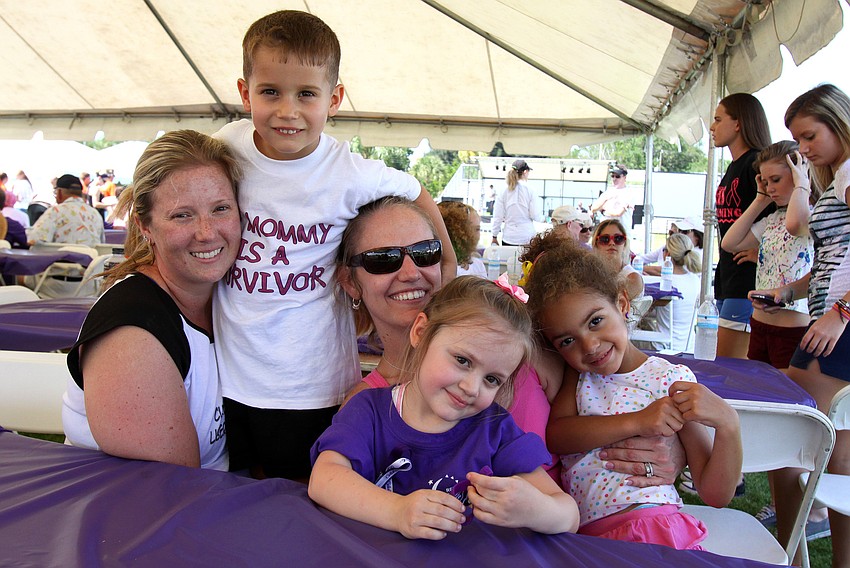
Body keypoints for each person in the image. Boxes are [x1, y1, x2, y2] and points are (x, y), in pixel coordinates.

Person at [213, 10, 456, 481]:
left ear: (335, 98)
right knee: (232, 496)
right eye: (270, 92)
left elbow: (415, 191)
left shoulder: (351, 172)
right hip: (229, 378)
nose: (288, 110)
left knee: (303, 504)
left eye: (306, 94)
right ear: (245, 93)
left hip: (314, 385)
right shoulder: (227, 145)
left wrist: (447, 263)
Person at [309, 276, 580, 540]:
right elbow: (324, 479)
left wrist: (537, 510)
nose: (472, 388)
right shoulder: (369, 411)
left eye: (492, 379)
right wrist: (397, 511)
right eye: (463, 360)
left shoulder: (495, 431)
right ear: (421, 333)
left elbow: (569, 515)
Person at [526, 240, 742, 549]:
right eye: (567, 340)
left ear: (623, 304)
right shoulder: (579, 376)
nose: (589, 346)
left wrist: (729, 425)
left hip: (656, 529)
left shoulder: (670, 380)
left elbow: (716, 494)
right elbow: (557, 436)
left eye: (596, 321)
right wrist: (639, 422)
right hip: (591, 542)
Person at [339, 197, 563, 481]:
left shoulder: (521, 348)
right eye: (383, 259)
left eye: (425, 252)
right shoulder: (366, 407)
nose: (410, 273)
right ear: (349, 282)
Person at [61, 130, 241, 470]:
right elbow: (170, 494)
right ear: (145, 225)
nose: (207, 232)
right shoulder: (132, 335)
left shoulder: (232, 298)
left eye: (221, 209)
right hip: (142, 514)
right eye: (182, 215)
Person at [752, 84, 850, 561]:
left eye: (809, 136)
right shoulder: (835, 178)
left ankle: (791, 549)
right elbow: (836, 255)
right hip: (826, 320)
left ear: (839, 123)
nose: (803, 148)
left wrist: (841, 312)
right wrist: (790, 291)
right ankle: (793, 550)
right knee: (829, 448)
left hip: (839, 327)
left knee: (804, 436)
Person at [710, 93, 773, 359]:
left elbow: (781, 216)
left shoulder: (757, 164)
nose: (712, 127)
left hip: (749, 281)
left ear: (739, 123)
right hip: (728, 277)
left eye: (717, 119)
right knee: (724, 361)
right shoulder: (734, 167)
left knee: (731, 368)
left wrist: (764, 251)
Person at [642, 233, 702, 353]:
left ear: (668, 254)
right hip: (689, 347)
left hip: (664, 347)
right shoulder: (696, 280)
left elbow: (646, 312)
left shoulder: (665, 283)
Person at [27, 174, 104, 248]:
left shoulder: (56, 211)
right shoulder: (95, 214)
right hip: (93, 260)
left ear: (59, 192)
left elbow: (34, 239)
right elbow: (101, 243)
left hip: (62, 260)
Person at [491, 159, 542, 246]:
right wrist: (543, 218)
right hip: (527, 237)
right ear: (525, 172)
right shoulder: (531, 190)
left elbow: (497, 216)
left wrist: (494, 236)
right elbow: (535, 216)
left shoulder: (503, 191)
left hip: (509, 237)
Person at [592, 218, 643, 301]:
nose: (611, 243)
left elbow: (614, 307)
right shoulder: (592, 274)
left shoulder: (632, 277)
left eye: (618, 239)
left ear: (624, 244)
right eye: (605, 239)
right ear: (596, 244)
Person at [438, 200, 486, 278]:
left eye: (478, 229)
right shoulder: (446, 271)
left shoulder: (478, 265)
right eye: (476, 229)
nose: (478, 234)